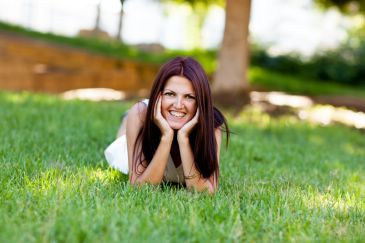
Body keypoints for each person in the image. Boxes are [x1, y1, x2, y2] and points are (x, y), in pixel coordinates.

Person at [104, 57, 229, 194]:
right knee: (122, 138)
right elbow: (138, 188)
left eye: (189, 97)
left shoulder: (211, 125)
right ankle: (127, 118)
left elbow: (208, 191)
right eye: (170, 94)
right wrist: (166, 137)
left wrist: (183, 138)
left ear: (200, 101)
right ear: (159, 95)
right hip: (141, 123)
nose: (178, 105)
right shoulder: (141, 115)